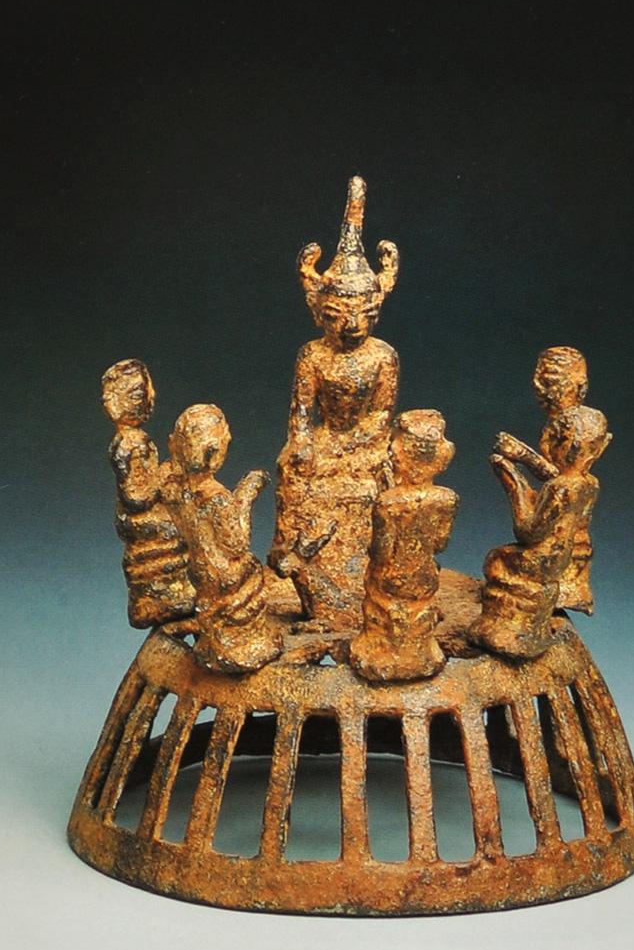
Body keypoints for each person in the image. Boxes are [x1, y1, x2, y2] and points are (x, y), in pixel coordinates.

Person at [269, 176, 400, 631]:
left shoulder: (383, 357)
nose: (351, 326)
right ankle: (294, 562)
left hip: (364, 447)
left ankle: (377, 575)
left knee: (383, 479)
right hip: (324, 444)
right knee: (292, 471)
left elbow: (381, 417)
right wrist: (304, 446)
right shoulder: (312, 355)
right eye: (337, 315)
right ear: (317, 310)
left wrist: (350, 447)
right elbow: (301, 416)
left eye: (364, 315)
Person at [469, 404, 611, 660]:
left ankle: (509, 629)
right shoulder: (590, 484)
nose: (544, 443)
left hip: (541, 559)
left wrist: (513, 481)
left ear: (558, 444)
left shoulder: (560, 488)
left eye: (552, 438)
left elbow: (528, 532)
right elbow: (557, 480)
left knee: (496, 560)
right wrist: (525, 457)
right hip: (561, 559)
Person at [159, 404, 282, 673]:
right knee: (252, 570)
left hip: (198, 570)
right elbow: (236, 544)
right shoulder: (216, 497)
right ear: (214, 453)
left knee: (211, 602)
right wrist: (247, 494)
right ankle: (241, 644)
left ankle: (212, 641)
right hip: (223, 573)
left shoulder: (170, 487)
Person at [349, 411, 458, 681]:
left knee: (377, 593)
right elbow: (440, 544)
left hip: (391, 581)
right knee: (419, 611)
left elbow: (382, 554)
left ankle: (380, 652)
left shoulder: (388, 504)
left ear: (401, 454)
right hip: (425, 580)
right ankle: (422, 652)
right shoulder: (447, 499)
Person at [101, 358, 194, 628]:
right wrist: (165, 475)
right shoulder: (130, 445)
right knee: (177, 528)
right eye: (136, 395)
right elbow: (135, 498)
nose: (145, 401)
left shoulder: (137, 440)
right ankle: (162, 598)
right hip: (137, 519)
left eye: (146, 393)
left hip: (143, 513)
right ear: (114, 402)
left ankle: (175, 590)